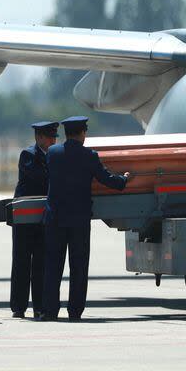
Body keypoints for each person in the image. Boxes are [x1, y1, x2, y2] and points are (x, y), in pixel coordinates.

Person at [40, 116, 129, 322]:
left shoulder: (53, 153)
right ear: (82, 134)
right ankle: (75, 311)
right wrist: (123, 179)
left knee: (53, 267)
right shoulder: (89, 155)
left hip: (55, 219)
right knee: (78, 267)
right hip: (78, 221)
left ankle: (50, 311)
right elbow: (106, 179)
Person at [10, 121, 59, 319]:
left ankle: (39, 305)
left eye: (55, 137)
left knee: (40, 263)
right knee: (22, 262)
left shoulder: (55, 156)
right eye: (49, 137)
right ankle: (18, 306)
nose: (53, 140)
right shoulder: (29, 155)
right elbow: (40, 177)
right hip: (25, 217)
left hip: (42, 217)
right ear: (39, 138)